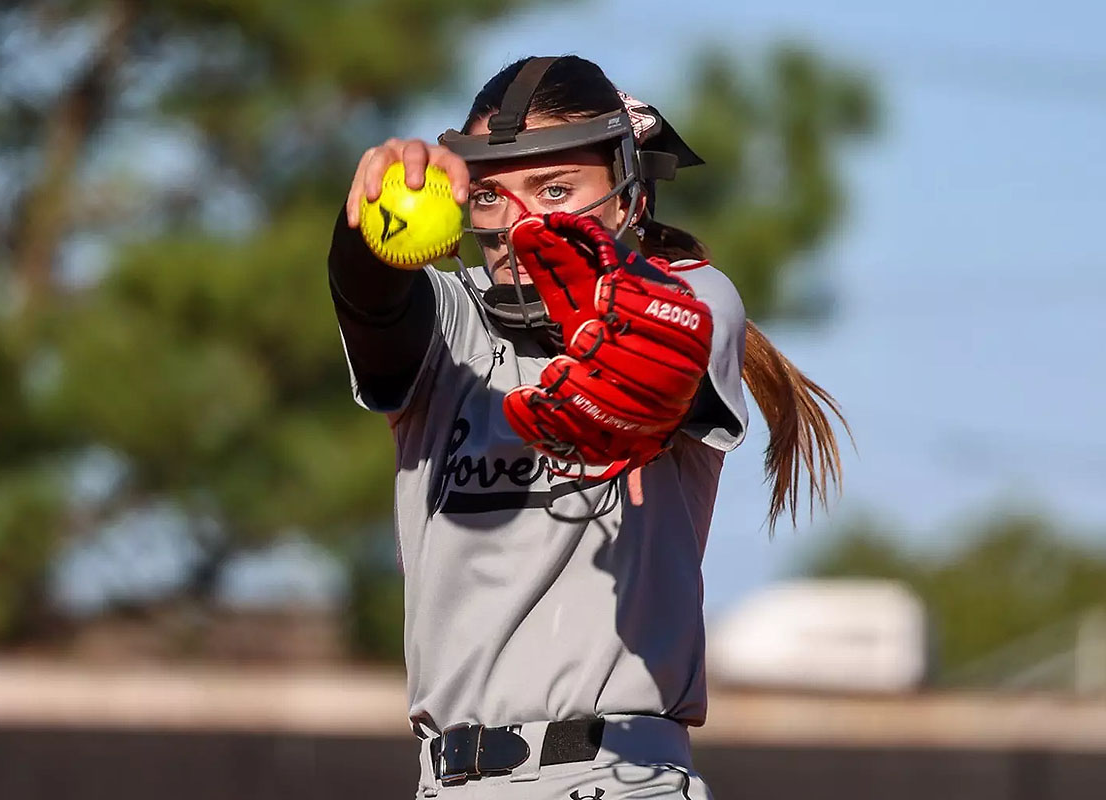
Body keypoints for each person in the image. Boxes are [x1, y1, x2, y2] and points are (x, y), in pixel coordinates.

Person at [329, 55, 846, 800]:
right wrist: (366, 225)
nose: (517, 221)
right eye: (489, 195)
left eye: (556, 188)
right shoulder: (452, 325)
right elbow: (370, 300)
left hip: (622, 775)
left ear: (630, 196)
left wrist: (617, 379)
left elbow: (661, 359)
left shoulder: (695, 295)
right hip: (447, 783)